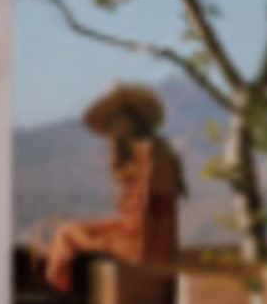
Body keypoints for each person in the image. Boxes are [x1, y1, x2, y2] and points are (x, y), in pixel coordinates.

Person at [34, 83, 185, 293]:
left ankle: (59, 291)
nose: (111, 131)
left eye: (115, 121)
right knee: (63, 231)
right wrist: (102, 229)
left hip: (141, 254)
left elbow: (151, 220)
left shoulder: (151, 156)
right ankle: (61, 288)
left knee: (66, 233)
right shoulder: (150, 155)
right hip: (138, 245)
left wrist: (95, 239)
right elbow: (140, 217)